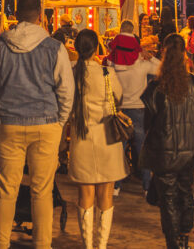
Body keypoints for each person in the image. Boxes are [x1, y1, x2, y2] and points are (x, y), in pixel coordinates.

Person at [0, 0, 74, 249]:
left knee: (5, 190)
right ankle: (42, 244)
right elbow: (66, 91)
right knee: (42, 191)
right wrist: (59, 122)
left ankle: (1, 243)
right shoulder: (54, 48)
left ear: (16, 14)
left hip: (8, 122)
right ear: (41, 16)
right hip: (46, 124)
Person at [141, 34, 194, 249]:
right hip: (190, 151)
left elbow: (148, 122)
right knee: (185, 192)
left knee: (167, 200)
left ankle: (173, 243)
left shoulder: (157, 88)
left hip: (164, 152)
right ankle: (184, 236)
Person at [68, 30, 129, 249]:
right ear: (96, 48)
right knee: (106, 192)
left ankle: (88, 245)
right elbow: (119, 97)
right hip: (107, 138)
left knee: (85, 193)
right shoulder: (106, 73)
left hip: (82, 137)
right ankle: (101, 245)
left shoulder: (72, 72)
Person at [106, 19, 160, 193]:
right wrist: (151, 56)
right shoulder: (143, 63)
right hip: (138, 108)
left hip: (119, 109)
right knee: (141, 148)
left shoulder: (112, 62)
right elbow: (161, 69)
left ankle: (116, 186)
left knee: (119, 149)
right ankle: (146, 186)